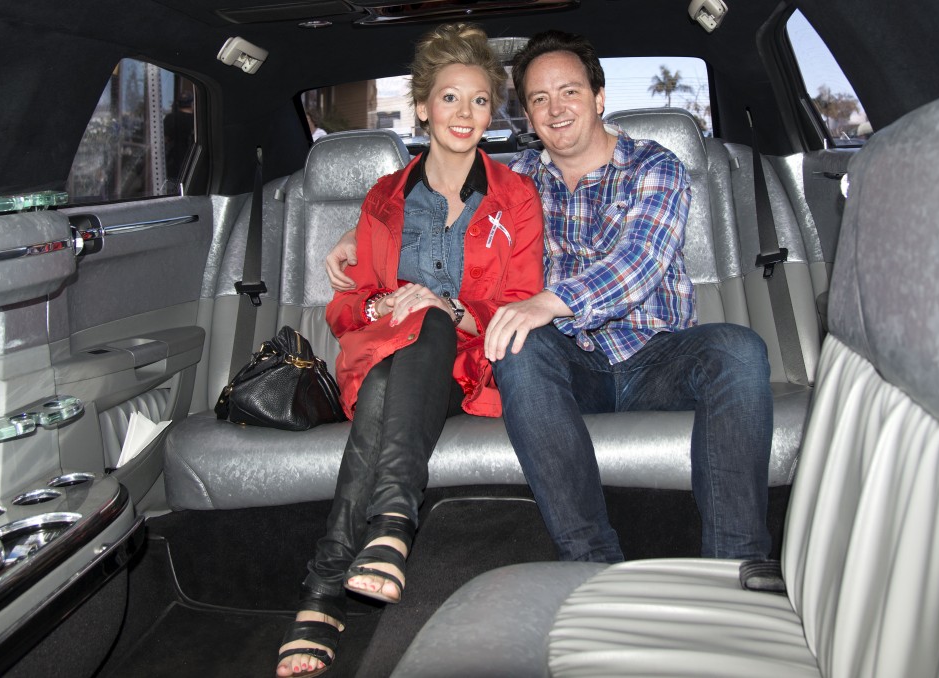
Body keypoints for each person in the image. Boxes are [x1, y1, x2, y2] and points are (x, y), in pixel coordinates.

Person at [325, 30, 773, 567]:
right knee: (519, 345)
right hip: (565, 367)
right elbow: (441, 199)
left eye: (570, 92)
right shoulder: (519, 182)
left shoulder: (655, 166)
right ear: (527, 117)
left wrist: (548, 303)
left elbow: (639, 265)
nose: (555, 109)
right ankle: (590, 561)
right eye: (539, 99)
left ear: (599, 98)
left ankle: (737, 565)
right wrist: (362, 234)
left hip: (657, 356)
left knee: (740, 350)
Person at [276, 23, 544, 678]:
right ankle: (391, 526)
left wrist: (445, 307)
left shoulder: (516, 197)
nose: (465, 115)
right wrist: (382, 305)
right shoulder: (383, 200)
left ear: (492, 111)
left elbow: (521, 300)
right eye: (450, 99)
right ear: (422, 106)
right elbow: (348, 307)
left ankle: (321, 592)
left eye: (480, 101)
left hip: (472, 367)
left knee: (427, 322)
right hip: (382, 358)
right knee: (405, 343)